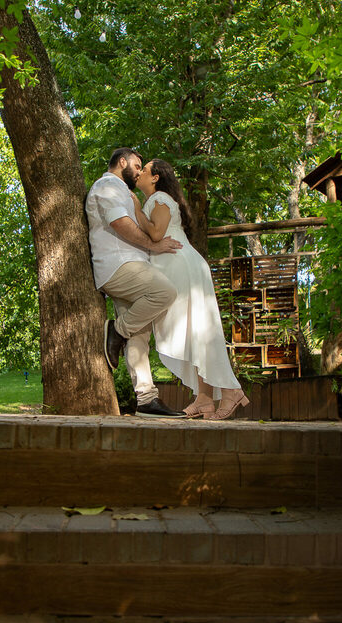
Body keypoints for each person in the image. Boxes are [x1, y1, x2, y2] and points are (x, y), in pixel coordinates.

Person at [132, 158, 250, 420]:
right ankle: (205, 398)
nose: (139, 173)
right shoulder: (159, 199)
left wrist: (137, 209)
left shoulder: (159, 198)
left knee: (197, 331)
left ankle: (230, 391)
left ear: (156, 178)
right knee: (195, 332)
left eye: (145, 170)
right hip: (181, 268)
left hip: (181, 268)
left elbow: (156, 234)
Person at [85, 147, 186, 418]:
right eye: (137, 165)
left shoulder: (124, 192)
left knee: (140, 334)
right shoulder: (107, 185)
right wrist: (154, 246)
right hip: (119, 266)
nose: (140, 172)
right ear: (122, 162)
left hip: (130, 266)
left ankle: (146, 399)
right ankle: (116, 331)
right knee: (165, 292)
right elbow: (119, 223)